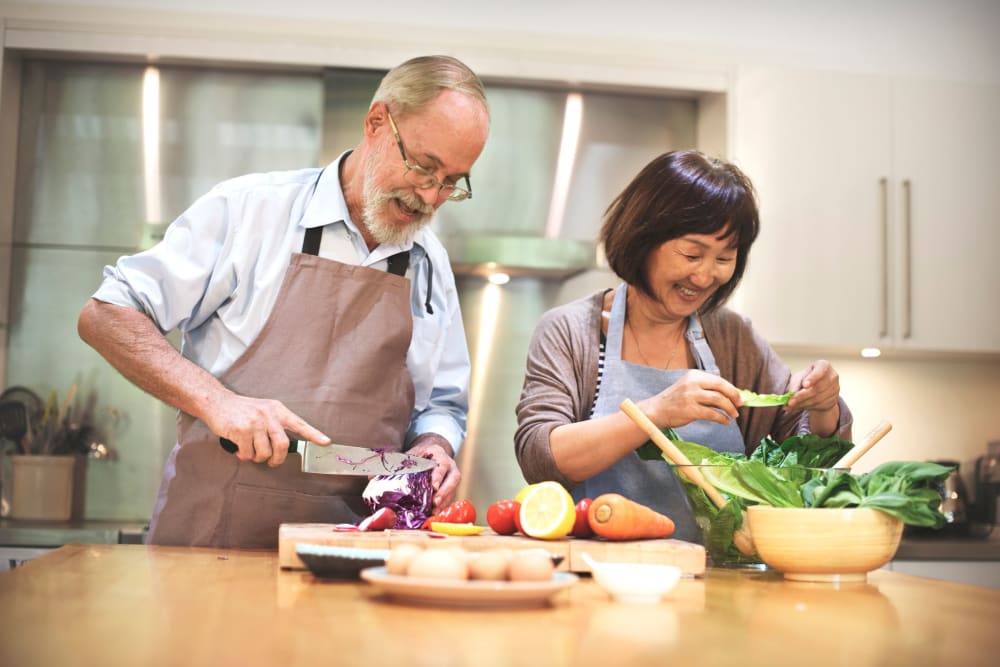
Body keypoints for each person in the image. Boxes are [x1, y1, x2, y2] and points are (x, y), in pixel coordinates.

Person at [78, 55, 491, 548]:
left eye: (452, 181)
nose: (432, 195)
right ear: (378, 123)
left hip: (353, 551)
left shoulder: (429, 263)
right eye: (424, 167)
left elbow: (442, 402)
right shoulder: (249, 210)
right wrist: (218, 403)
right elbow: (106, 313)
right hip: (212, 545)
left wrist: (434, 444)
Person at [513, 149, 852, 543]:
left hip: (720, 577)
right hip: (601, 572)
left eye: (725, 257)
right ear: (643, 239)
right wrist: (656, 412)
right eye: (692, 254)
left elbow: (805, 453)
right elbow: (542, 457)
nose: (707, 275)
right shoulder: (571, 331)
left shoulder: (732, 337)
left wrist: (824, 404)